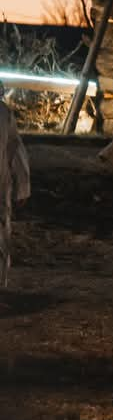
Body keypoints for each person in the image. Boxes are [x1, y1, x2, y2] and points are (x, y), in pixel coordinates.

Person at [0, 82, 30, 288]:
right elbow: (15, 148)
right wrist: (22, 187)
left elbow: (14, 148)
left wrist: (22, 186)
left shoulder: (3, 115)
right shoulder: (4, 114)